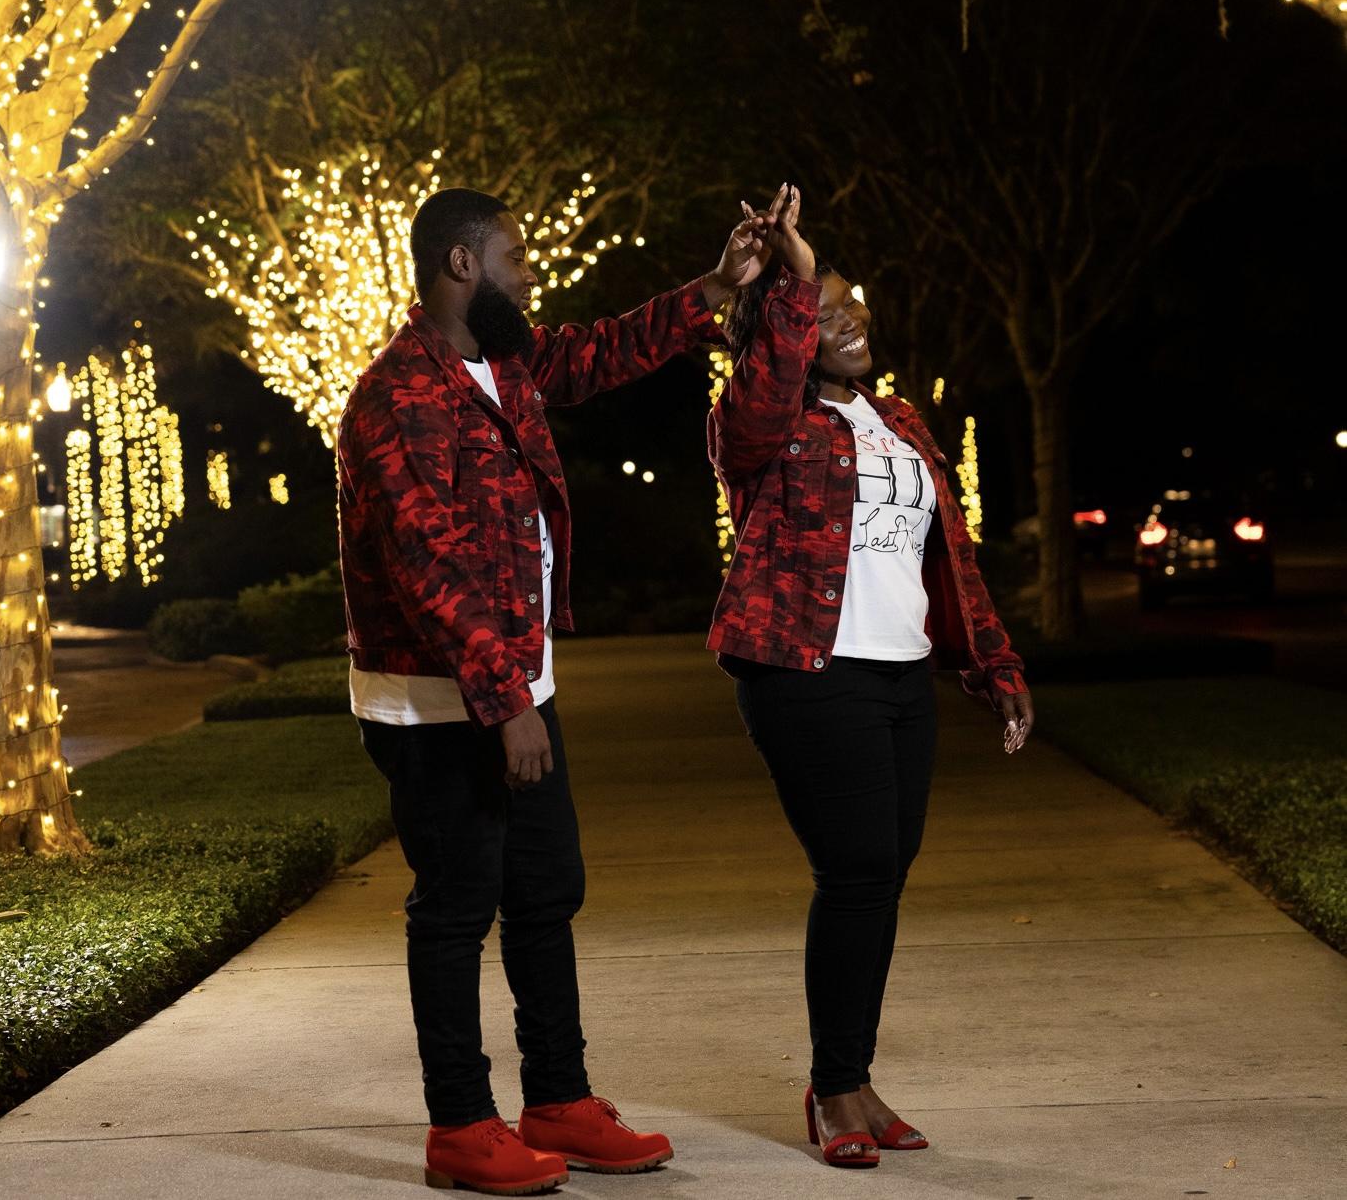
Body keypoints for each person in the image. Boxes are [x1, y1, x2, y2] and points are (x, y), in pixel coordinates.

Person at [336, 186, 773, 1196]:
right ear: (461, 264)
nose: (530, 276)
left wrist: (717, 286)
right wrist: (507, 702)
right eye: (516, 257)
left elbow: (607, 349)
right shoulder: (396, 396)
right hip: (437, 702)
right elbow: (428, 563)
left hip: (515, 685)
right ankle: (460, 1125)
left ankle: (558, 1100)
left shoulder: (506, 363)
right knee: (457, 908)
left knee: (544, 893)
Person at [707, 186, 1035, 1169]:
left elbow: (950, 557)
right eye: (825, 307)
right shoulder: (759, 425)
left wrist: (995, 663)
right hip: (808, 673)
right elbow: (760, 399)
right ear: (786, 327)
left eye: (852, 302)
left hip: (900, 677)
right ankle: (834, 1087)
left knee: (881, 877)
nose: (850, 318)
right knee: (854, 871)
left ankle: (853, 1080)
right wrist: (795, 277)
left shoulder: (900, 420)